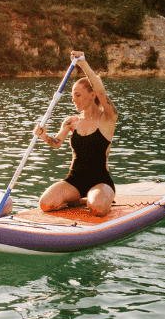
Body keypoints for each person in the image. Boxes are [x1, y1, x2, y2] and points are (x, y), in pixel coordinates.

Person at [32, 51, 118, 217]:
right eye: (72, 96)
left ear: (92, 95)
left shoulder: (108, 118)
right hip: (74, 180)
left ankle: (101, 198)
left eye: (78, 95)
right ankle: (80, 200)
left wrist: (83, 64)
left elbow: (102, 92)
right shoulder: (71, 121)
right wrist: (44, 136)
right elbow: (56, 142)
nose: (73, 100)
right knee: (45, 203)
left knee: (98, 209)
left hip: (100, 181)